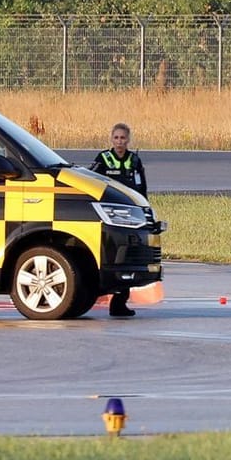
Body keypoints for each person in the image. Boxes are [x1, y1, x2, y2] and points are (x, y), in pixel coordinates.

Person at [87, 122, 147, 317]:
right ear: (111, 139)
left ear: (128, 140)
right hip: (110, 214)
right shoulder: (103, 159)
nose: (119, 142)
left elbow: (142, 188)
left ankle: (120, 303)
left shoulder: (135, 160)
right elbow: (90, 180)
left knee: (128, 258)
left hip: (130, 215)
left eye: (123, 138)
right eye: (116, 138)